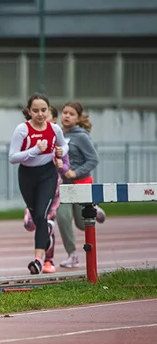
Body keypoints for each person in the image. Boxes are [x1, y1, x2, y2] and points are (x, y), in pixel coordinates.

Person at [9, 94, 67, 275]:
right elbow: (12, 157)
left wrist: (60, 150)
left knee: (42, 214)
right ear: (28, 111)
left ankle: (39, 260)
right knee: (36, 217)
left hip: (47, 175)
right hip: (27, 176)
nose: (40, 114)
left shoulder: (55, 129)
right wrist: (33, 151)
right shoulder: (22, 129)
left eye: (44, 110)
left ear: (48, 110)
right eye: (35, 110)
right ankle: (45, 234)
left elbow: (65, 146)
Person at [55, 101, 104, 269]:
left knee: (82, 224)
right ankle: (72, 254)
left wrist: (75, 172)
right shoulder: (57, 133)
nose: (67, 116)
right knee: (62, 217)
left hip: (80, 183)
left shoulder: (81, 136)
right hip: (63, 186)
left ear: (78, 118)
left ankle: (94, 210)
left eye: (71, 114)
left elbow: (93, 159)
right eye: (65, 112)